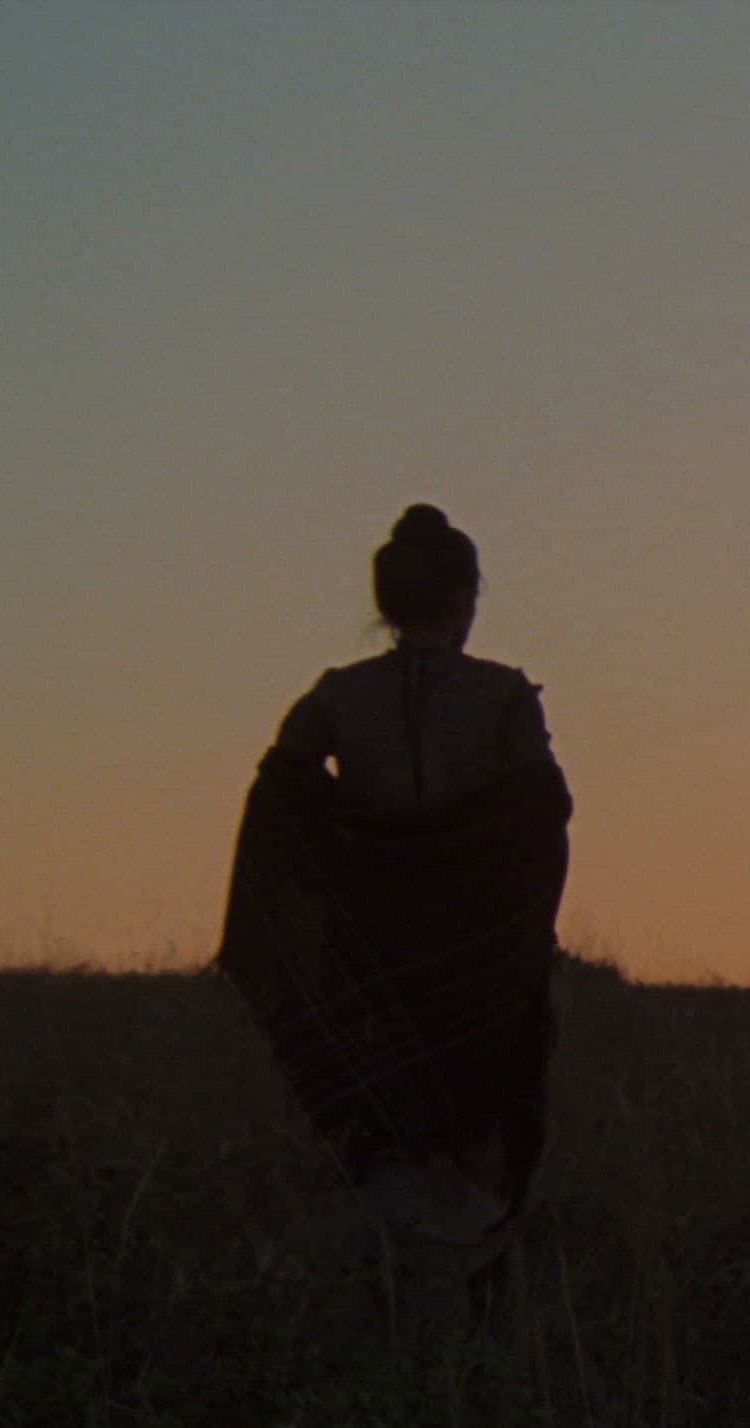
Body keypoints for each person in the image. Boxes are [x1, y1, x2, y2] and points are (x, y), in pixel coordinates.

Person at [217, 504, 572, 1287]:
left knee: (379, 1115)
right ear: (463, 600)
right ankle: (468, 1288)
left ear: (385, 604)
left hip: (369, 947)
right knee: (476, 1114)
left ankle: (390, 1281)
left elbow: (279, 794)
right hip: (477, 951)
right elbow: (545, 813)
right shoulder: (503, 696)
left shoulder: (337, 697)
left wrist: (354, 855)